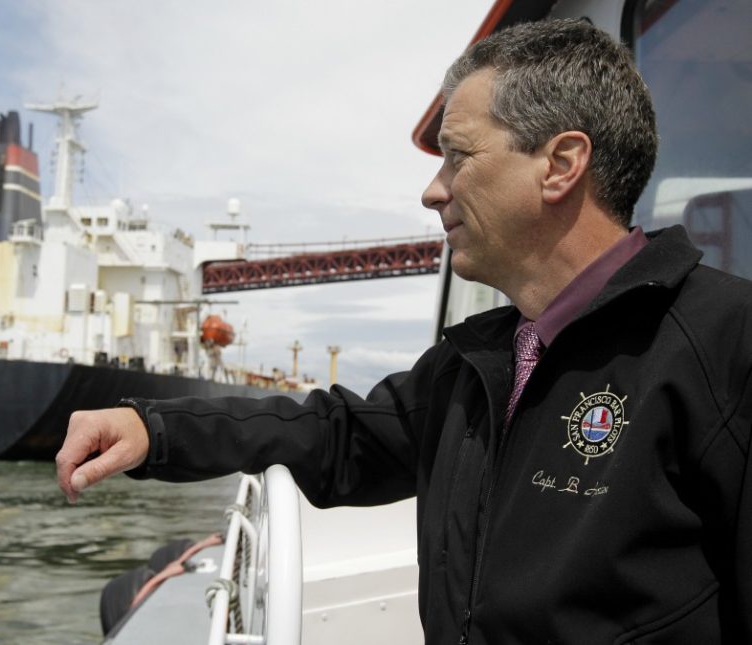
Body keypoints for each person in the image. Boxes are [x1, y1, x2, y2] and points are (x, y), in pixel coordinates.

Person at [55, 18, 752, 644]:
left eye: (458, 156)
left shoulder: (725, 345)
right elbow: (337, 434)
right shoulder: (478, 364)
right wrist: (154, 429)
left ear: (561, 165)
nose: (432, 190)